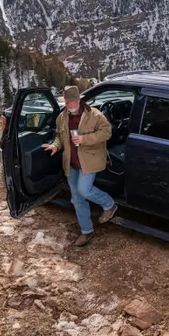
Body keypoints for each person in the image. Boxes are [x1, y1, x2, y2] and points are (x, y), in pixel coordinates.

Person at [42, 86, 118, 247]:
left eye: (72, 101)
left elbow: (107, 132)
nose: (69, 105)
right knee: (77, 198)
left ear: (79, 100)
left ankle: (109, 205)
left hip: (89, 161)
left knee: (85, 190)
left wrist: (85, 139)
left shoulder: (95, 115)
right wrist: (55, 146)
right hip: (71, 162)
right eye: (67, 102)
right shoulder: (62, 117)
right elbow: (59, 136)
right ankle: (86, 231)